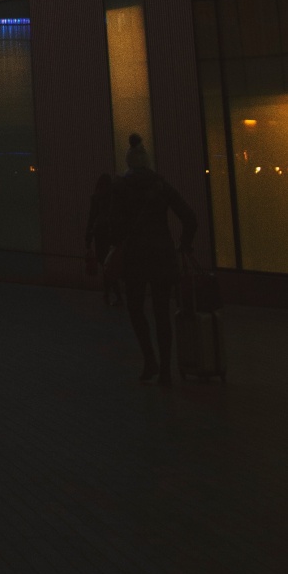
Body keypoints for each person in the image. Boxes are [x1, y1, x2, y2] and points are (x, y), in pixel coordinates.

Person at [111, 134, 197, 387]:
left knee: (136, 309)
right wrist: (184, 244)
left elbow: (114, 227)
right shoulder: (161, 185)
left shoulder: (121, 188)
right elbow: (189, 217)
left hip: (135, 258)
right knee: (162, 313)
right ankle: (166, 370)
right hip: (162, 256)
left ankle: (150, 359)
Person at [85, 172, 120, 307]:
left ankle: (108, 294)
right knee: (110, 265)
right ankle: (113, 294)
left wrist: (88, 238)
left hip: (99, 235)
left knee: (105, 265)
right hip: (110, 235)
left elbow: (91, 217)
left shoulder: (96, 198)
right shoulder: (113, 197)